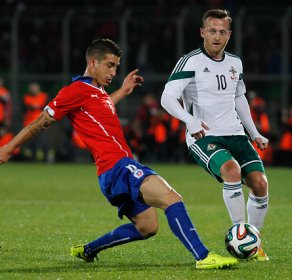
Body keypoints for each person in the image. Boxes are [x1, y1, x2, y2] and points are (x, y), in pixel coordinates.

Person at [0, 38, 237, 269]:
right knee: (171, 198)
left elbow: (101, 108)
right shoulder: (75, 91)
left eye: (116, 67)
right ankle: (204, 257)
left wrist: (122, 91)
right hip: (118, 166)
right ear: (93, 62)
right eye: (109, 65)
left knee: (147, 226)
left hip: (111, 173)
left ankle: (88, 250)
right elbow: (41, 122)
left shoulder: (97, 92)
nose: (113, 72)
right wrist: (8, 148)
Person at [161, 9, 270, 261]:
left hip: (235, 133)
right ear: (202, 32)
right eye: (211, 31)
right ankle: (240, 233)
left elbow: (239, 97)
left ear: (229, 35)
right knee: (231, 170)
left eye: (222, 32)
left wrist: (254, 133)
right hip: (204, 136)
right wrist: (190, 120)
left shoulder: (235, 62)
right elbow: (167, 97)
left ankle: (253, 244)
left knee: (260, 184)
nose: (216, 36)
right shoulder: (190, 61)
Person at [22, 82, 50, 161]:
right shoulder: (26, 97)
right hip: (29, 123)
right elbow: (23, 110)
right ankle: (33, 158)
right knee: (32, 142)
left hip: (42, 122)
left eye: (35, 87)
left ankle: (46, 158)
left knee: (44, 140)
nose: (33, 89)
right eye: (32, 87)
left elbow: (49, 109)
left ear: (39, 88)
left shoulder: (44, 96)